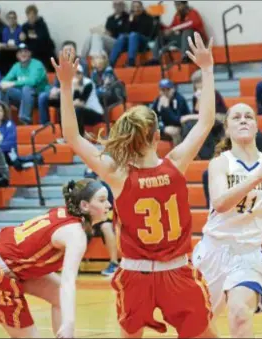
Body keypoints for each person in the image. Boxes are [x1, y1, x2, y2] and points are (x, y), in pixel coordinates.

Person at [52, 32, 217, 338]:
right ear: (157, 137)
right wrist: (206, 70)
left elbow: (73, 137)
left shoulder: (117, 174)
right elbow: (206, 121)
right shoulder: (176, 162)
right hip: (177, 271)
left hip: (136, 274)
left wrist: (64, 86)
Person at [192, 102, 262, 338]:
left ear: (256, 127)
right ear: (227, 129)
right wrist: (257, 176)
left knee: (240, 313)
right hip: (213, 250)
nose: (243, 120)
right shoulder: (220, 163)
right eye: (236, 117)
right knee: (196, 326)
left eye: (249, 117)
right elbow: (221, 203)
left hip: (249, 253)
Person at [0, 178, 111, 338]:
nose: (108, 205)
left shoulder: (66, 212)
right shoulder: (75, 234)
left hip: (6, 253)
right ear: (85, 206)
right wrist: (69, 323)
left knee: (58, 294)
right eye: (102, 200)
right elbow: (68, 282)